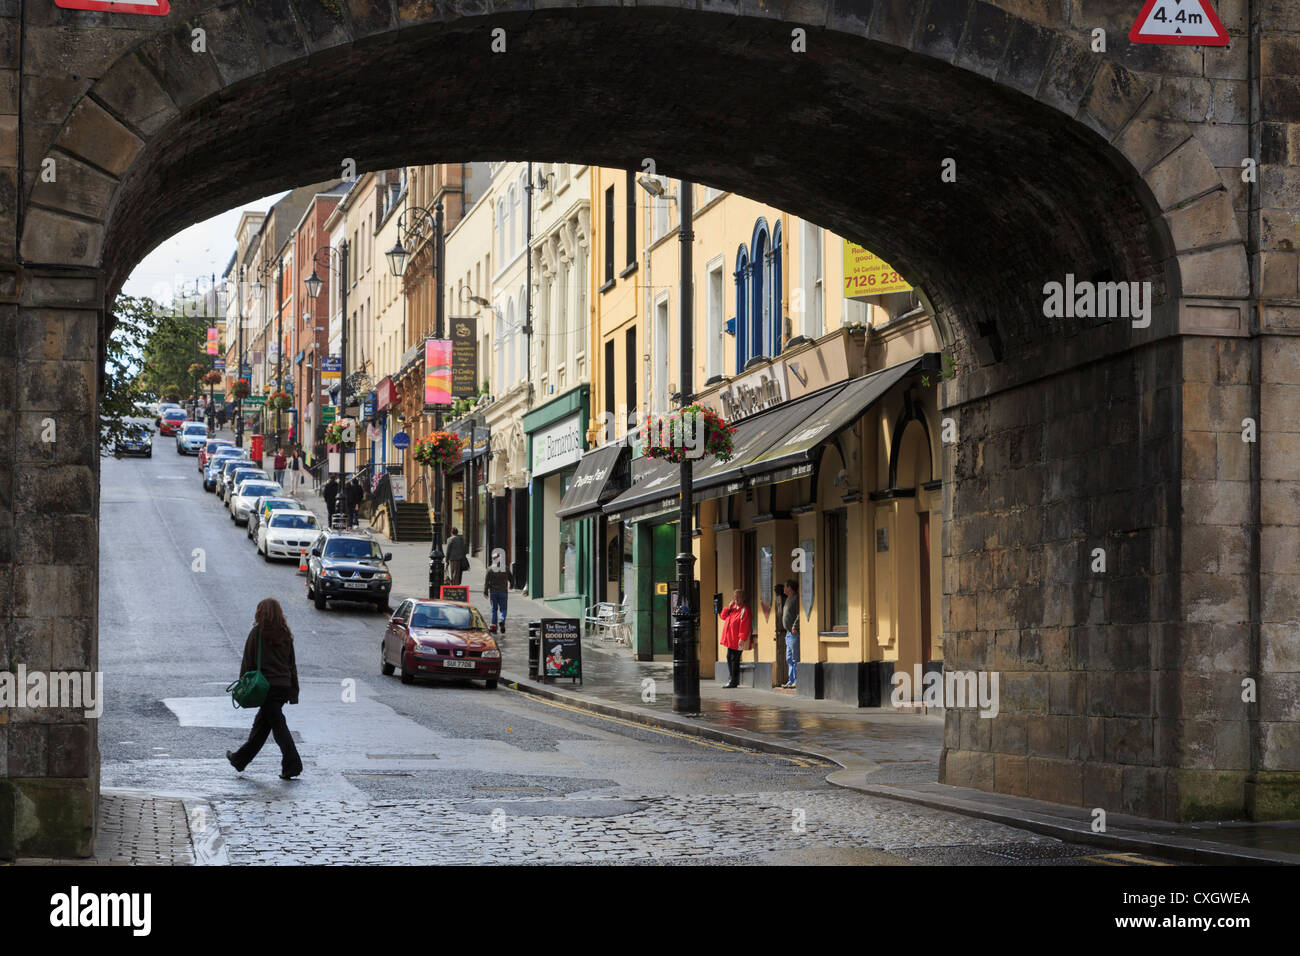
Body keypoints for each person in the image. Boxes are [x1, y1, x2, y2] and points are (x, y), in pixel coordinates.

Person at [226, 597, 303, 780]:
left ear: (260, 613)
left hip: (265, 688)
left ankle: (293, 764)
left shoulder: (257, 633)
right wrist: (294, 691)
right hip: (283, 686)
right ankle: (239, 760)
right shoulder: (286, 634)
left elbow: (248, 662)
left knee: (278, 726)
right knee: (262, 725)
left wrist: (243, 686)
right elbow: (292, 665)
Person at [719, 589, 753, 689]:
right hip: (730, 639)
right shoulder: (732, 608)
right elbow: (723, 616)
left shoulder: (744, 610)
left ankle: (733, 681)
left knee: (735, 659)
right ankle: (732, 679)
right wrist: (728, 608)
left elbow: (745, 625)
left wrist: (742, 638)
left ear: (743, 598)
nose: (736, 599)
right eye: (734, 597)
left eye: (738, 597)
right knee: (730, 657)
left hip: (737, 640)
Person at [483, 561, 513, 633]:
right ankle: (502, 620)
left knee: (494, 609)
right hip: (503, 592)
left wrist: (485, 591)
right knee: (503, 609)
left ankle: (494, 625)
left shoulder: (490, 569)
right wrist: (511, 585)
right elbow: (511, 578)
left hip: (493, 592)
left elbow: (486, 581)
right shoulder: (505, 568)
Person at [781, 579, 800, 689]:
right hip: (788, 633)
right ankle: (791, 680)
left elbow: (799, 614)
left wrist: (795, 626)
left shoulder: (796, 598)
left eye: (785, 586)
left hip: (793, 633)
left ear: (790, 588)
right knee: (789, 658)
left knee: (794, 657)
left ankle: (796, 680)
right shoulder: (788, 598)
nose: (784, 589)